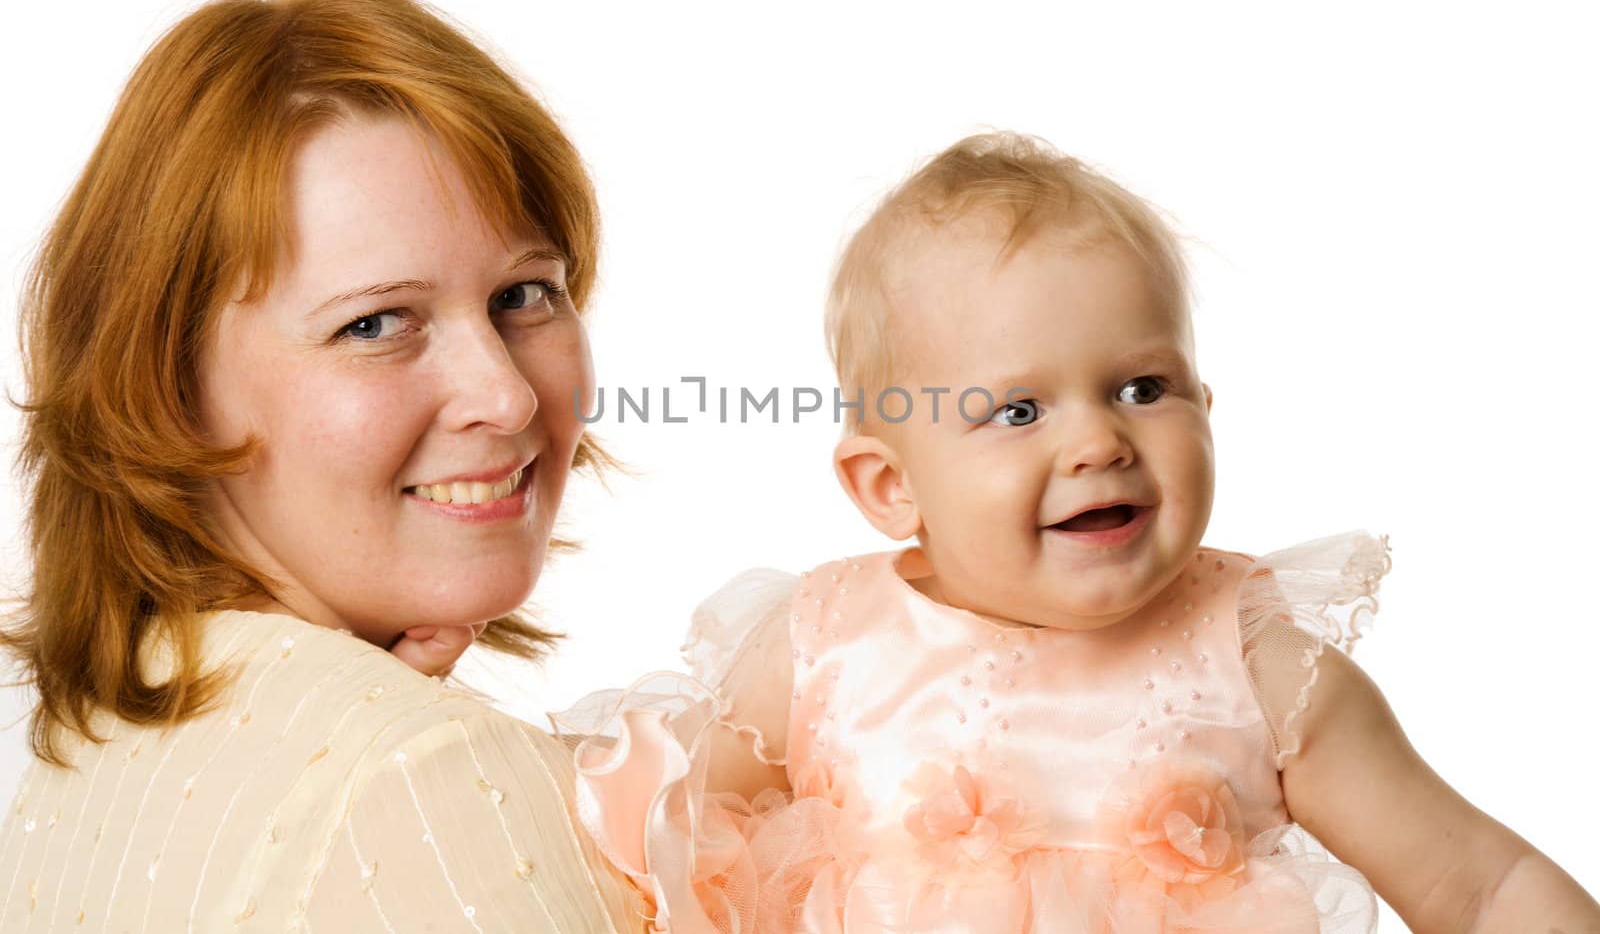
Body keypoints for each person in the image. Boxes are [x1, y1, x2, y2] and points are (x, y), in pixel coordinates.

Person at [557, 134, 1600, 931]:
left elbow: (1477, 880)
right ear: (889, 485)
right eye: (1017, 411)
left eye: (1142, 387)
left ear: (1204, 399)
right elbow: (665, 859)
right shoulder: (824, 651)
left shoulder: (1261, 670)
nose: (1100, 439)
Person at [0, 0, 646, 930]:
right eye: (376, 322)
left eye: (525, 294)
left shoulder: (108, 728)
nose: (507, 394)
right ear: (167, 392)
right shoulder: (420, 775)